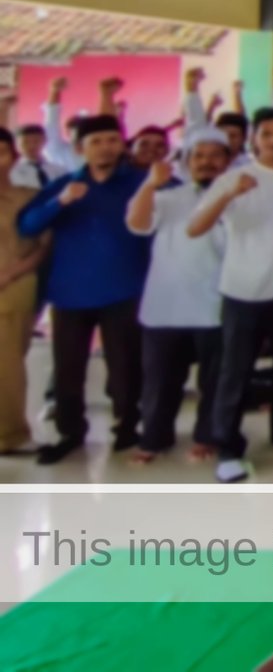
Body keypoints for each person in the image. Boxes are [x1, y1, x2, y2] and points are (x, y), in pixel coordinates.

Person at [18, 116, 149, 465]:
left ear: (121, 144)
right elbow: (28, 225)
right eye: (96, 142)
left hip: (125, 288)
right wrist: (60, 202)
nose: (105, 147)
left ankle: (127, 425)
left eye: (112, 140)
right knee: (68, 367)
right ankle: (70, 432)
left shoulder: (142, 182)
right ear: (80, 148)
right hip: (71, 291)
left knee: (125, 365)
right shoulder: (65, 185)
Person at [188, 106, 273, 483]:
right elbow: (195, 227)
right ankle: (227, 448)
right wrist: (227, 196)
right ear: (255, 138)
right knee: (235, 372)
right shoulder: (233, 178)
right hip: (244, 290)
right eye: (266, 133)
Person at [125, 128, 230, 465]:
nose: (206, 162)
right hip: (166, 303)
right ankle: (154, 437)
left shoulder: (240, 196)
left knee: (215, 379)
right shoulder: (169, 196)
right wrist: (149, 185)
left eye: (215, 156)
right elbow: (137, 224)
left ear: (227, 161)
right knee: (160, 379)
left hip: (217, 303)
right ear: (186, 162)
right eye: (198, 156)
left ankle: (207, 436)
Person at [0, 128, 49, 456]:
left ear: (14, 158)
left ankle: (10, 434)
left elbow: (44, 246)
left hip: (14, 285)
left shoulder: (29, 197)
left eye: (1, 153)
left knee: (6, 364)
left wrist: (10, 273)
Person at [9, 123, 66, 190]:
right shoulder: (9, 172)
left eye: (36, 141)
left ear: (45, 141)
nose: (31, 146)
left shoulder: (59, 170)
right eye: (25, 142)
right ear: (15, 145)